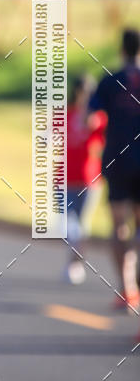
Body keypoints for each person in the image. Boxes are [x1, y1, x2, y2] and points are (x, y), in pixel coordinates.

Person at [89, 28, 140, 312]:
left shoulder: (109, 82)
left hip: (118, 162)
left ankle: (127, 288)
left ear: (122, 50)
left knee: (119, 226)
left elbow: (90, 118)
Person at [63, 75, 106, 284]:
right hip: (64, 179)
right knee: (67, 225)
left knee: (82, 225)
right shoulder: (65, 115)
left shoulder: (98, 118)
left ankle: (75, 264)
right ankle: (74, 261)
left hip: (89, 179)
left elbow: (107, 142)